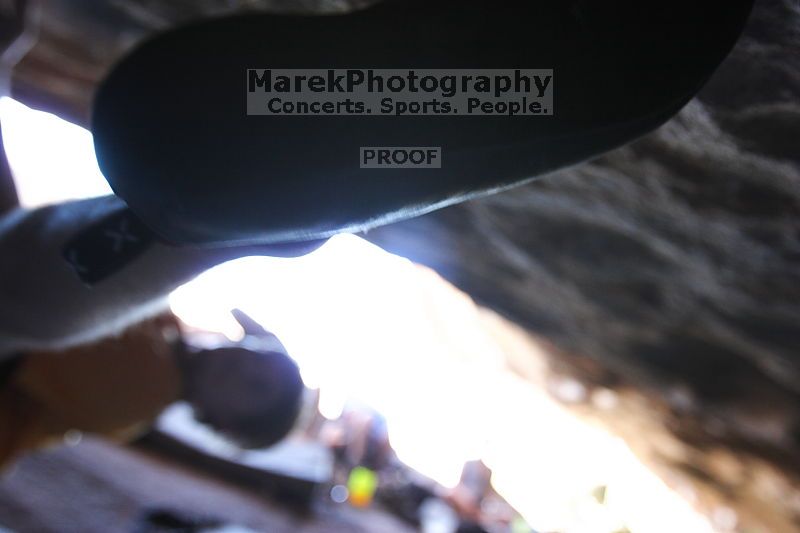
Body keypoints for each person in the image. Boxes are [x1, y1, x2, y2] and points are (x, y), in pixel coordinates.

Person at [0, 309, 306, 469]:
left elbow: (22, 311)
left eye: (257, 386)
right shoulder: (165, 338)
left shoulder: (144, 383)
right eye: (261, 353)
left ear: (227, 424)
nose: (247, 364)